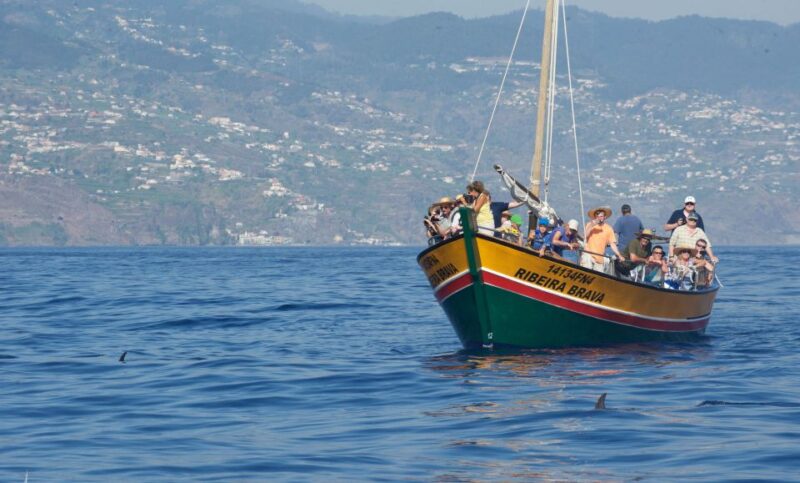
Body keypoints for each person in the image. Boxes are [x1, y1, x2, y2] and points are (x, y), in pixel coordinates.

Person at [581, 207, 625, 273]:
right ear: (595, 217)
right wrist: (592, 225)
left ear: (605, 217)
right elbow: (584, 236)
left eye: (601, 216)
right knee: (585, 273)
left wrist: (619, 255)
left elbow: (613, 244)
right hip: (588, 255)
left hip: (599, 258)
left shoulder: (609, 229)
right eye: (597, 216)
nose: (599, 218)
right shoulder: (590, 225)